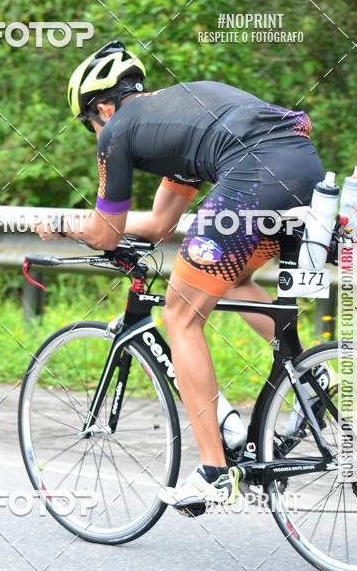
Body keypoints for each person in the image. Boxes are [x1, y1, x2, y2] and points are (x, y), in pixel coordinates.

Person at [34, 40, 325, 513]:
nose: (94, 134)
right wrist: (93, 229)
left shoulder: (117, 133)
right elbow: (157, 225)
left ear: (103, 108)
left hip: (253, 177)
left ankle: (213, 472)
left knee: (181, 315)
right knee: (227, 278)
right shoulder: (182, 121)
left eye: (90, 124)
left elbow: (106, 234)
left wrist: (67, 227)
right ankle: (308, 377)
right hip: (304, 170)